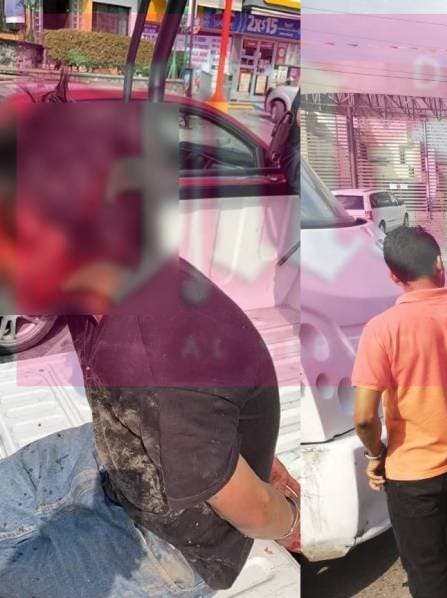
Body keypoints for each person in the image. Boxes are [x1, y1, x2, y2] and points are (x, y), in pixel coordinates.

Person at [0, 103, 299, 596]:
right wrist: (248, 452)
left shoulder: (152, 360)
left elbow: (252, 511)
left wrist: (291, 521)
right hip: (121, 450)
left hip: (175, 543)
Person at [353, 226, 447, 597]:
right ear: (440, 264)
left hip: (411, 473)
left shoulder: (381, 330)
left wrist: (376, 455)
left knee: (427, 572)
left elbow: (364, 417)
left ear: (393, 276)